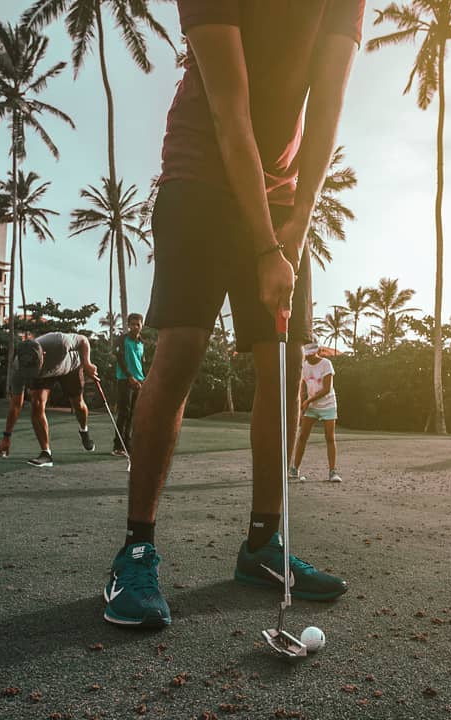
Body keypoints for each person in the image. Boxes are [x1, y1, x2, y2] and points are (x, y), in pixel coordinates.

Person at [102, 0, 364, 629]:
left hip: (280, 195)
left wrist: (293, 232)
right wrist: (267, 246)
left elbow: (326, 111)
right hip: (198, 176)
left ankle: (262, 545)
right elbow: (230, 113)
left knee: (283, 362)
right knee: (184, 346)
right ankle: (136, 550)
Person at [0, 332, 99, 468]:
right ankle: (46, 454)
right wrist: (6, 437)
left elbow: (83, 340)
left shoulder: (58, 342)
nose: (32, 373)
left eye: (35, 369)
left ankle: (83, 430)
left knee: (78, 404)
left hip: (70, 367)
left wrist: (87, 363)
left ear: (43, 355)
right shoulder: (19, 369)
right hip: (45, 377)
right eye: (29, 372)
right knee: (36, 403)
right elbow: (16, 405)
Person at [289, 343, 342, 482]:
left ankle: (332, 472)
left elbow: (327, 389)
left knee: (330, 437)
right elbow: (302, 387)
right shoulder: (304, 366)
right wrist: (301, 402)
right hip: (311, 406)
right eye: (307, 355)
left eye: (311, 354)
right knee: (302, 437)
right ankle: (295, 469)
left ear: (316, 351)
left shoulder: (326, 364)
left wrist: (308, 401)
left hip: (328, 404)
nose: (309, 357)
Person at [112, 313, 146, 456]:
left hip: (139, 381)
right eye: (132, 324)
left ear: (141, 326)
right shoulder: (122, 340)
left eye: (137, 324)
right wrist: (130, 376)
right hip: (125, 380)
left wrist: (142, 380)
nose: (135, 327)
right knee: (124, 413)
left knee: (133, 414)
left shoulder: (142, 342)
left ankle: (127, 445)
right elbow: (120, 359)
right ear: (128, 325)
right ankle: (118, 446)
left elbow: (141, 363)